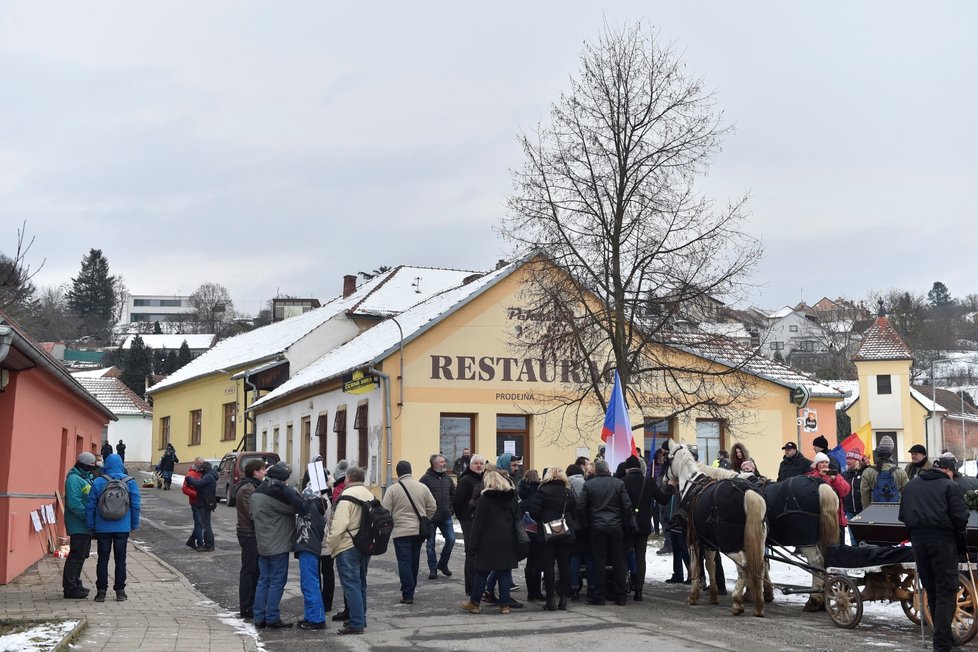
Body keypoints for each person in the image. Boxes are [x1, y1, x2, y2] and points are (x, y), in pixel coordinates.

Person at [899, 454, 968, 652]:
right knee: (946, 591)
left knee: (934, 591)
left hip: (918, 542)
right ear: (948, 470)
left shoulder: (911, 486)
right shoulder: (950, 486)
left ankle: (945, 640)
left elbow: (903, 515)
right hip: (942, 541)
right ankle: (942, 645)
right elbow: (960, 518)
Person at [252, 462, 306, 629]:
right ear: (283, 480)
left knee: (263, 581)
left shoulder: (258, 491)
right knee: (276, 582)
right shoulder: (278, 495)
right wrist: (286, 489)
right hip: (278, 546)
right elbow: (300, 507)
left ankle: (259, 617)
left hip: (263, 544)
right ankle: (272, 617)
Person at [460, 470, 522, 615]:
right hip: (508, 539)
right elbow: (517, 516)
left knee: (482, 572)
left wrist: (473, 544)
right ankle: (505, 605)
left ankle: (474, 603)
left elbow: (478, 523)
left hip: (488, 540)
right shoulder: (511, 497)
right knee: (504, 572)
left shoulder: (485, 499)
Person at [85, 453, 140, 602]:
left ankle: (101, 591)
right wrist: (134, 524)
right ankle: (120, 591)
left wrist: (91, 526)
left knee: (103, 559)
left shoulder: (98, 482)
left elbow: (90, 506)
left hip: (103, 527)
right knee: (120, 559)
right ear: (121, 465)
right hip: (122, 527)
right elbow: (135, 505)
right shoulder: (130, 482)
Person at [578, 459, 632, 606]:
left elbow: (581, 506)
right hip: (615, 527)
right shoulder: (619, 484)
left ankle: (599, 596)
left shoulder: (588, 485)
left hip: (596, 527)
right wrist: (624, 524)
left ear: (596, 471)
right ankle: (620, 595)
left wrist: (586, 524)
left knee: (599, 561)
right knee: (618, 561)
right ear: (608, 469)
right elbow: (627, 506)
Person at [381, 460, 437, 605]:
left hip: (401, 531)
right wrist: (425, 519)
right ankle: (411, 588)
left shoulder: (393, 489)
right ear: (410, 471)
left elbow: (385, 510)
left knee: (404, 561)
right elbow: (432, 506)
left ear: (397, 473)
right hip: (418, 531)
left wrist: (393, 522)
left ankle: (408, 593)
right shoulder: (422, 487)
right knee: (414, 559)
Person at [327, 466, 374, 635]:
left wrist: (330, 543)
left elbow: (339, 525)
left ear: (348, 478)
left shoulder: (346, 497)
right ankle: (361, 618)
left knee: (351, 585)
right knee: (361, 583)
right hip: (365, 545)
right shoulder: (370, 495)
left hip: (348, 545)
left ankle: (356, 623)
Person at [528, 467, 576, 610]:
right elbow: (574, 512)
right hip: (565, 532)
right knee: (564, 566)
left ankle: (550, 600)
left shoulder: (542, 492)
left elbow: (534, 513)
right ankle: (564, 598)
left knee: (548, 566)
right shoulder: (568, 493)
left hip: (546, 533)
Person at [63, 452, 97, 599]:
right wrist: (88, 517)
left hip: (85, 525)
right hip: (78, 524)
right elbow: (74, 504)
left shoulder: (85, 478)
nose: (91, 470)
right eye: (90, 467)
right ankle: (70, 588)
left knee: (81, 555)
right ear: (82, 465)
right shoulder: (74, 480)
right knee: (76, 556)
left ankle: (76, 583)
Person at [235, 459, 265, 619]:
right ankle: (246, 607)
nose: (264, 472)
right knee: (249, 571)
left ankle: (252, 604)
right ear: (255, 472)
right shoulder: (247, 489)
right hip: (248, 533)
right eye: (262, 469)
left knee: (255, 571)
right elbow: (252, 513)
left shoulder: (253, 486)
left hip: (253, 533)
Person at [294, 487, 328, 630]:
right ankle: (310, 616)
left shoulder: (310, 509)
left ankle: (317, 619)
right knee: (307, 584)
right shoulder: (317, 510)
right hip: (309, 549)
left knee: (310, 584)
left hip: (308, 549)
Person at [452, 454, 485, 596]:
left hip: (480, 520)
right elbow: (456, 501)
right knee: (471, 553)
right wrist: (464, 517)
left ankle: (479, 586)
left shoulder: (484, 478)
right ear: (470, 466)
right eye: (476, 463)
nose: (479, 466)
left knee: (480, 553)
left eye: (481, 464)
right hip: (469, 520)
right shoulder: (466, 480)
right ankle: (471, 588)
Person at [420, 454, 456, 580]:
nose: (444, 463)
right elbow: (420, 498)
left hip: (445, 516)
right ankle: (433, 569)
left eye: (444, 461)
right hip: (431, 518)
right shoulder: (425, 479)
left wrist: (451, 508)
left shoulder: (448, 478)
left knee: (451, 540)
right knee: (430, 545)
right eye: (441, 462)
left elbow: (453, 494)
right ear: (434, 464)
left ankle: (442, 564)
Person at [805, 452, 851, 540]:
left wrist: (835, 480)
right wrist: (819, 477)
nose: (824, 464)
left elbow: (845, 491)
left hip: (837, 518)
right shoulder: (811, 477)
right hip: (820, 519)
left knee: (839, 547)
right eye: (821, 462)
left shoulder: (836, 475)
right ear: (817, 464)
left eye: (826, 462)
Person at [860, 435, 910, 506]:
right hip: (895, 512)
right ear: (890, 456)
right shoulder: (900, 472)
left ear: (877, 456)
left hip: (875, 512)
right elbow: (907, 494)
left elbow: (865, 496)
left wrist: (867, 512)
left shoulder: (868, 472)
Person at [184, 459, 218, 551]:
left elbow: (199, 484)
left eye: (202, 468)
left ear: (205, 469)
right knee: (203, 524)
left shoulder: (208, 477)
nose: (200, 470)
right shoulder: (209, 475)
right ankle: (196, 542)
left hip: (204, 503)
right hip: (205, 502)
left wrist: (190, 479)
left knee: (205, 525)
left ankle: (209, 545)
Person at [842, 451, 865, 545]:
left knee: (864, 536)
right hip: (850, 510)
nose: (847, 461)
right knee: (853, 537)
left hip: (863, 510)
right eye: (847, 459)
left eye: (850, 458)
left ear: (857, 460)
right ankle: (856, 556)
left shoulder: (865, 472)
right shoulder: (845, 474)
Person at [182, 457, 204, 550]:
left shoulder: (204, 473)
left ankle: (191, 540)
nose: (201, 465)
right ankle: (200, 543)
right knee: (199, 523)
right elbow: (185, 488)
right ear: (196, 463)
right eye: (199, 463)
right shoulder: (191, 474)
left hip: (203, 502)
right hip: (195, 502)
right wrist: (195, 494)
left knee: (200, 523)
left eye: (203, 463)